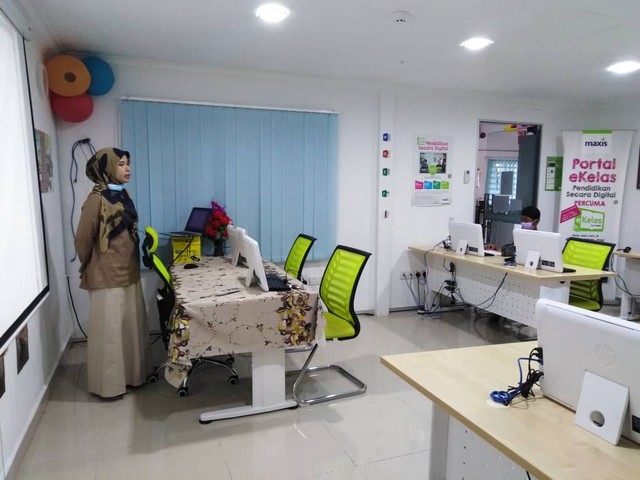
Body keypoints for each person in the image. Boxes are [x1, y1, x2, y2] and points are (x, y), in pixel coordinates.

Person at [75, 147, 148, 399]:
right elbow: (83, 238)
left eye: (128, 163)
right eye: (121, 164)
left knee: (130, 329)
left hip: (129, 271)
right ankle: (109, 386)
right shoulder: (96, 199)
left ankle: (133, 377)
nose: (127, 168)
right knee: (110, 333)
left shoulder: (123, 193)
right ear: (105, 168)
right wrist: (91, 264)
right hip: (106, 275)